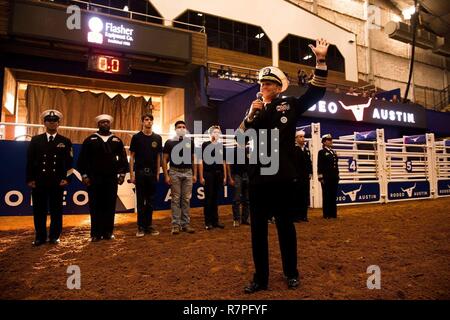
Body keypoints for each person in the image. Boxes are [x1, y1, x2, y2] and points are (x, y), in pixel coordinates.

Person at [239, 38, 329, 293]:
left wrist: (320, 62)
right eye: (261, 83)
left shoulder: (288, 104)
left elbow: (316, 92)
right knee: (257, 232)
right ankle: (260, 278)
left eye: (268, 83)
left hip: (281, 178)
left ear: (278, 87)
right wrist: (249, 116)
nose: (263, 87)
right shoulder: (254, 111)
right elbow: (239, 137)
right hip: (257, 179)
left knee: (285, 228)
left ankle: (291, 273)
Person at [77, 114, 128, 242]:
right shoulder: (90, 140)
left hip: (111, 179)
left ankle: (108, 232)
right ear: (98, 125)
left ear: (110, 124)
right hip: (94, 179)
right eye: (102, 122)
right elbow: (82, 160)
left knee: (110, 205)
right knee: (95, 205)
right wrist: (84, 176)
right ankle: (95, 233)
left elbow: (122, 160)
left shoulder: (116, 140)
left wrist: (122, 175)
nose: (105, 124)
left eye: (107, 122)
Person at [26, 110, 73, 246]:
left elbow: (69, 163)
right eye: (49, 120)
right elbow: (30, 161)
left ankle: (54, 236)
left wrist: (67, 179)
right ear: (44, 122)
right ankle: (40, 236)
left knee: (56, 210)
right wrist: (30, 179)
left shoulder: (65, 141)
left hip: (57, 181)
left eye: (54, 121)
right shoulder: (36, 140)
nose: (52, 122)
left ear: (59, 123)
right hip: (39, 181)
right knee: (39, 210)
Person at [129, 113, 162, 237]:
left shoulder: (157, 138)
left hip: (152, 173)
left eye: (150, 120)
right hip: (140, 173)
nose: (148, 122)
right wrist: (132, 174)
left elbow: (159, 156)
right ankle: (140, 227)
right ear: (142, 122)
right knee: (140, 201)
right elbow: (132, 157)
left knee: (150, 201)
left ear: (153, 122)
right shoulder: (136, 137)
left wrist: (158, 172)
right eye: (146, 120)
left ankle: (149, 226)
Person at [162, 120, 197, 235]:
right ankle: (175, 225)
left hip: (187, 172)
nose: (181, 128)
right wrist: (166, 175)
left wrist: (194, 174)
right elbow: (164, 159)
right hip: (174, 172)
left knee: (186, 199)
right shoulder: (169, 143)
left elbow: (193, 159)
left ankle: (185, 224)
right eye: (179, 127)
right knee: (176, 199)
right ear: (175, 129)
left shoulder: (190, 142)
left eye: (183, 127)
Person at [199, 125, 227, 230]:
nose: (217, 134)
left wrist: (224, 176)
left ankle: (215, 221)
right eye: (215, 132)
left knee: (215, 198)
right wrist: (201, 176)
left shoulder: (221, 146)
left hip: (218, 174)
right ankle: (208, 222)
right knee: (208, 198)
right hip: (208, 174)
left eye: (218, 132)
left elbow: (223, 162)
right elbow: (201, 161)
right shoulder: (205, 145)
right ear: (210, 134)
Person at [227, 133, 250, 227]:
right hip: (237, 176)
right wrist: (230, 177)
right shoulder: (233, 151)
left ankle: (245, 219)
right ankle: (236, 219)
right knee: (237, 199)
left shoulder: (248, 151)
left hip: (247, 176)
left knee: (247, 200)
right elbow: (229, 165)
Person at [317, 134, 339, 219]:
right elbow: (320, 165)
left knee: (333, 195)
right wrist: (320, 177)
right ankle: (326, 214)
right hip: (326, 177)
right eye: (329, 140)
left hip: (334, 177)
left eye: (331, 139)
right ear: (324, 142)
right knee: (326, 195)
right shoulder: (321, 152)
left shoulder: (333, 152)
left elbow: (336, 165)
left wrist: (337, 175)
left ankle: (333, 213)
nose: (331, 141)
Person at [293, 130, 312, 222]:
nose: (302, 138)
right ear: (296, 139)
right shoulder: (293, 149)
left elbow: (309, 163)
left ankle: (304, 215)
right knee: (296, 196)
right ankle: (296, 216)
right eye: (300, 137)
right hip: (297, 177)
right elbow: (292, 164)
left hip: (305, 177)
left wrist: (310, 172)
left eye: (303, 136)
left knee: (305, 196)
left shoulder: (306, 149)